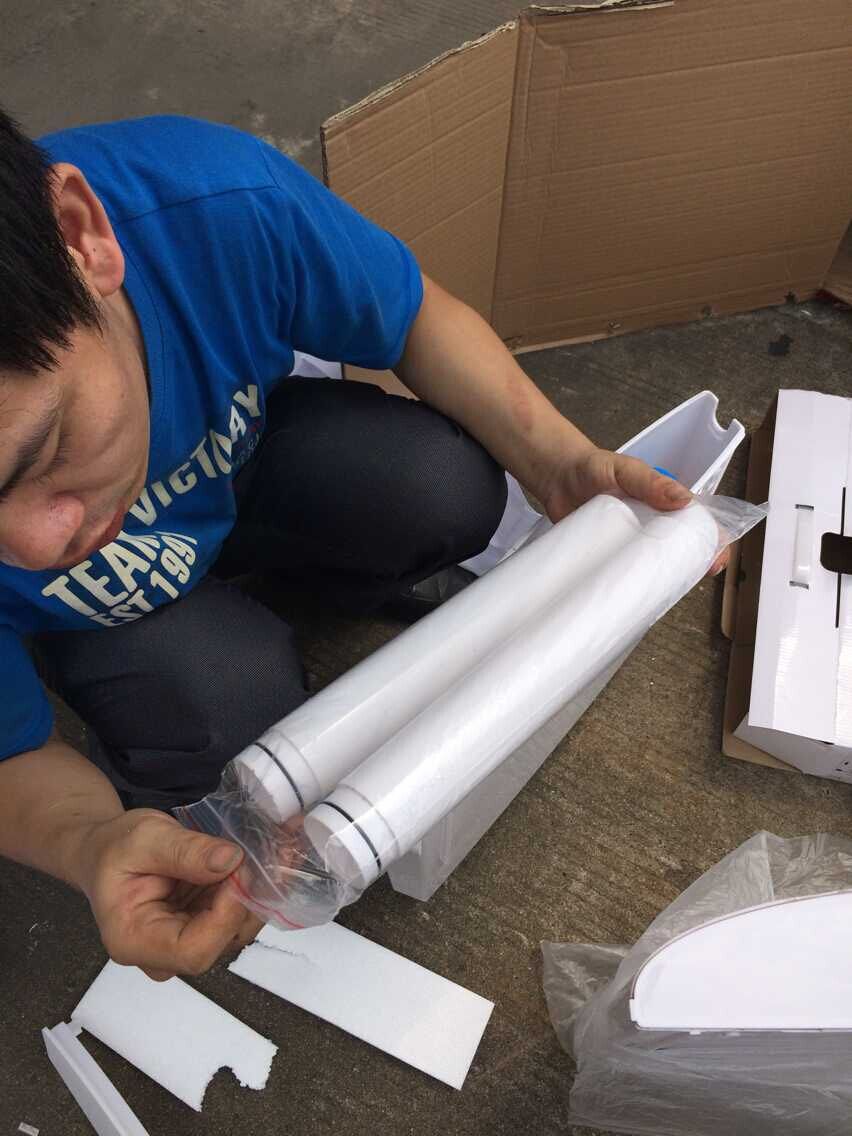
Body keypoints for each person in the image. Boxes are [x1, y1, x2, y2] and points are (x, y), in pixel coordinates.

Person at [0, 110, 703, 983]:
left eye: (46, 449)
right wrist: (91, 839)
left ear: (83, 239)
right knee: (229, 722)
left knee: (439, 485)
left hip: (245, 467)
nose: (38, 544)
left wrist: (559, 464)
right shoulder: (39, 534)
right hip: (100, 617)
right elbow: (11, 757)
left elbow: (412, 315)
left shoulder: (212, 207)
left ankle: (302, 583)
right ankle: (183, 671)